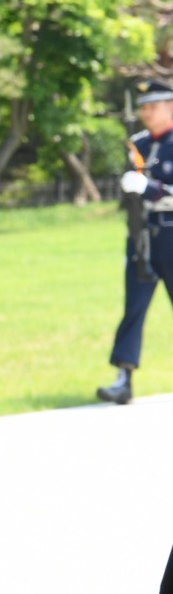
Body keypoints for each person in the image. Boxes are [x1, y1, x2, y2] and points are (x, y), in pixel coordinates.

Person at [98, 78, 173, 405]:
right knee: (134, 308)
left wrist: (151, 189)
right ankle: (123, 377)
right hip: (142, 238)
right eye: (143, 107)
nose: (146, 113)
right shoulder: (138, 144)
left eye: (153, 106)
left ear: (170, 107)